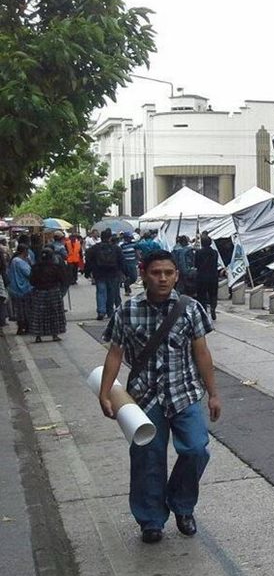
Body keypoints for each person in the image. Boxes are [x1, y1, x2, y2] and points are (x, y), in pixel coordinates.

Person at [98, 249, 220, 544]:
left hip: (184, 392)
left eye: (168, 273)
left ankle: (182, 504)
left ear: (177, 275)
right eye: (156, 273)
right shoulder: (127, 311)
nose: (162, 278)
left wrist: (214, 393)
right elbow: (115, 353)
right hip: (144, 397)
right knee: (146, 458)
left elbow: (201, 353)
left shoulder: (191, 309)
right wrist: (105, 393)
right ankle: (150, 519)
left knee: (195, 449)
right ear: (143, 274)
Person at [28, 248, 67, 342]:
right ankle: (55, 335)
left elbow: (32, 281)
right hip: (53, 292)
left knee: (39, 315)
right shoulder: (56, 267)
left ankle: (38, 336)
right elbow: (62, 279)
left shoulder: (35, 267)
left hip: (39, 292)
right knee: (54, 314)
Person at [85, 229, 124, 320]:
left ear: (101, 237)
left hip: (99, 273)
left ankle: (101, 311)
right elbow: (122, 261)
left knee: (101, 292)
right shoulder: (116, 248)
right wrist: (123, 273)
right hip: (113, 273)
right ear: (110, 238)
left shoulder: (94, 248)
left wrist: (87, 272)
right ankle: (109, 311)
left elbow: (88, 260)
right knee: (111, 292)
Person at [7, 244, 33, 334]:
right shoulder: (19, 262)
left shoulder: (14, 261)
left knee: (18, 309)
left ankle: (20, 327)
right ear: (24, 251)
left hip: (14, 289)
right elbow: (28, 273)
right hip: (23, 289)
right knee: (25, 309)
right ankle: (25, 326)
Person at [193, 234, 220, 321]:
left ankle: (204, 311)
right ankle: (213, 308)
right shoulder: (215, 253)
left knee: (202, 295)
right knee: (213, 294)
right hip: (213, 276)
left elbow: (196, 264)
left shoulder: (198, 252)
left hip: (202, 276)